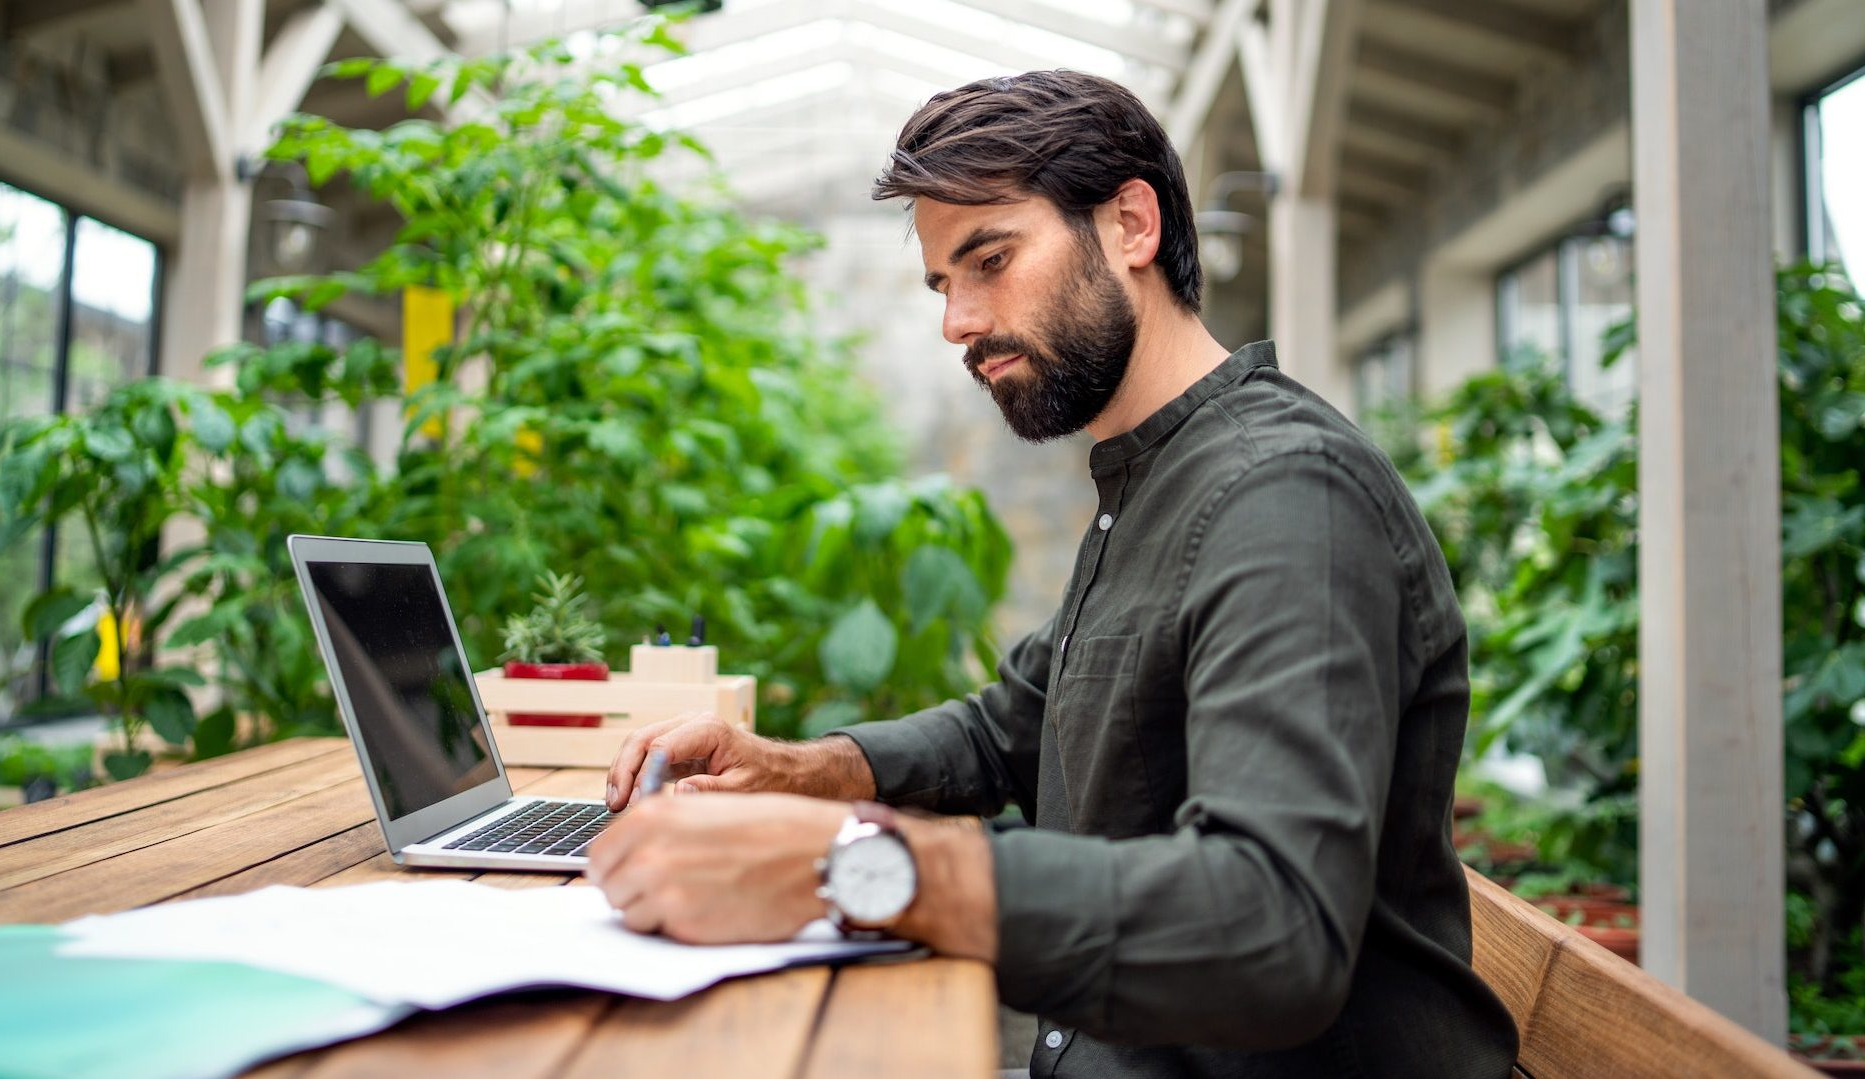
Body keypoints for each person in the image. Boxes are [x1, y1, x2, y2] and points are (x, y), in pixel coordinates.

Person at [588, 70, 1519, 1078]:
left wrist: (847, 865)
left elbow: (1273, 925)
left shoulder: (1285, 499)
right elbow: (1012, 726)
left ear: (1130, 224)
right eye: (945, 282)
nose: (957, 320)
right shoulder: (1159, 478)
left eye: (990, 258)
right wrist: (790, 768)